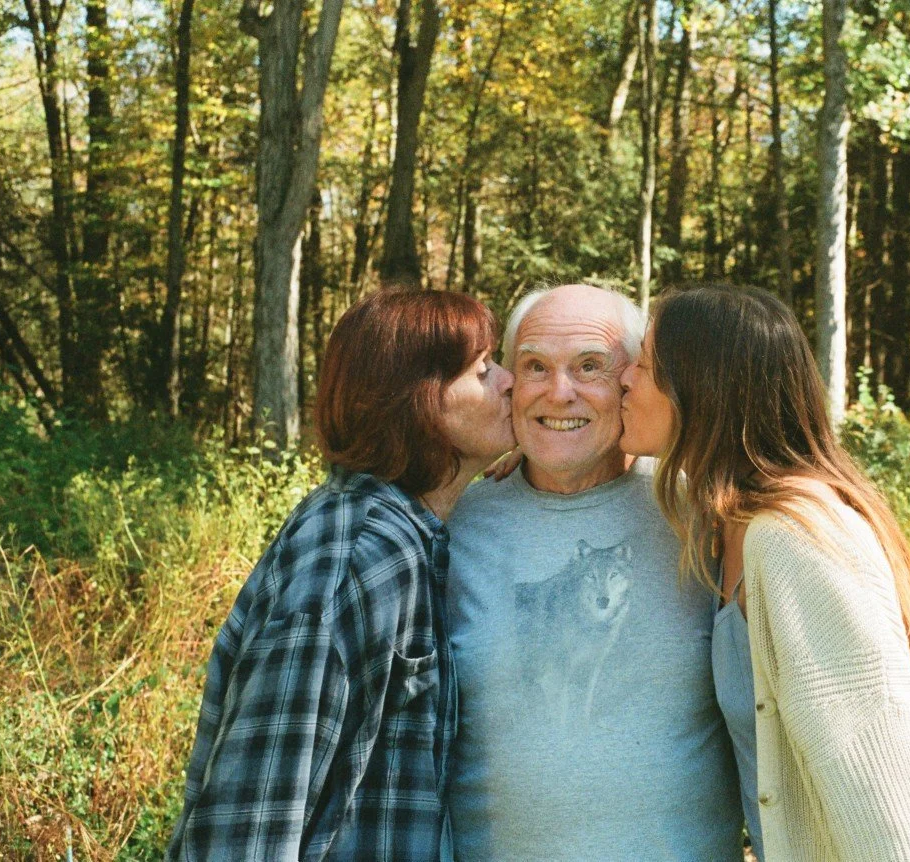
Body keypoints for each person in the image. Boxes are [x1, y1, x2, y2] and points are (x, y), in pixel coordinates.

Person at [617, 284, 910, 862]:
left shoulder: (792, 538)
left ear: (698, 389)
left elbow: (871, 757)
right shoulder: (728, 519)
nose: (623, 380)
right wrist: (532, 448)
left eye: (643, 365)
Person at [165, 289, 514, 862]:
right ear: (423, 400)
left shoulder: (411, 530)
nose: (506, 382)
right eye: (482, 371)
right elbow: (250, 820)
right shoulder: (360, 557)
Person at [443, 284, 743, 862]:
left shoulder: (708, 514)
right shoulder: (453, 525)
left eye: (590, 366)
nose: (560, 393)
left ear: (631, 382)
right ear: (508, 382)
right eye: (534, 366)